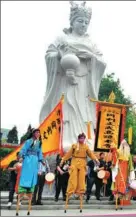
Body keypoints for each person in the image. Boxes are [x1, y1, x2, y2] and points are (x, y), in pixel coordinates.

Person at [39, 1, 106, 150]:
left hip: (83, 85)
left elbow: (101, 62)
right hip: (64, 83)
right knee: (66, 109)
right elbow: (49, 55)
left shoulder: (91, 43)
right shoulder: (61, 39)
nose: (83, 25)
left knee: (82, 112)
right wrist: (60, 57)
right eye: (80, 21)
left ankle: (84, 139)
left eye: (86, 22)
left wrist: (91, 57)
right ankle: (62, 139)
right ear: (72, 21)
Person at [60, 133, 99, 213]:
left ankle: (80, 192)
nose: (82, 139)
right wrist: (63, 160)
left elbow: (91, 154)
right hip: (74, 163)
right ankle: (70, 192)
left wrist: (96, 159)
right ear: (78, 139)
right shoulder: (74, 146)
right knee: (72, 179)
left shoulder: (86, 147)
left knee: (81, 180)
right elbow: (68, 154)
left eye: (83, 138)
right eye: (81, 138)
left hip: (82, 163)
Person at [16, 128, 45, 216]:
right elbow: (23, 150)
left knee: (33, 175)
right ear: (33, 133)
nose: (38, 134)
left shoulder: (39, 143)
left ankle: (29, 190)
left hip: (35, 160)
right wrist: (21, 156)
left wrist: (42, 160)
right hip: (28, 159)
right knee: (26, 174)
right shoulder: (28, 141)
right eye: (36, 132)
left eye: (39, 133)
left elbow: (40, 153)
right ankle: (23, 190)